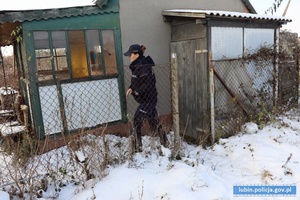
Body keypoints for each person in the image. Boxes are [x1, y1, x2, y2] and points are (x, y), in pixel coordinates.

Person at [124, 44, 168, 152]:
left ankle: (137, 149)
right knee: (154, 122)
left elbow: (147, 84)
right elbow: (137, 81)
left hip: (149, 100)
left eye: (130, 55)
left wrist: (136, 91)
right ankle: (165, 143)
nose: (129, 57)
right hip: (146, 99)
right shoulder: (137, 66)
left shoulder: (143, 67)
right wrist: (131, 88)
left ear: (136, 55)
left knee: (136, 122)